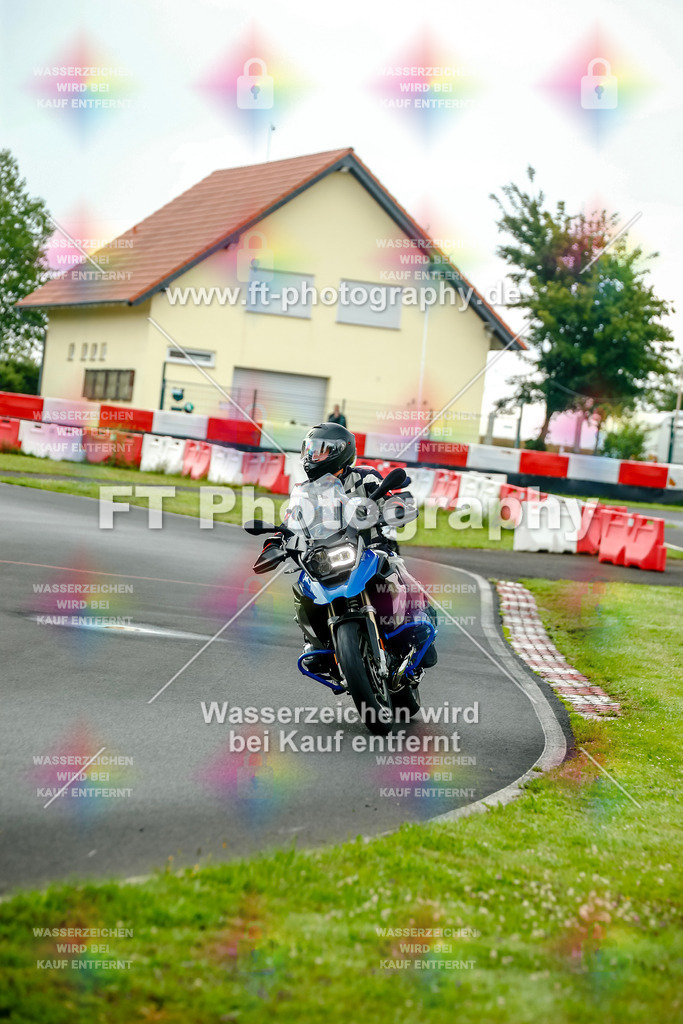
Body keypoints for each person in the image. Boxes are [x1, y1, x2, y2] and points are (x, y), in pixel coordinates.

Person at [267, 422, 437, 672]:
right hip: (326, 556)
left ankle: (419, 620)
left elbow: (387, 497)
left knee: (398, 571)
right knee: (304, 585)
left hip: (371, 547)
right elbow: (293, 518)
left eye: (321, 450)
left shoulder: (364, 475)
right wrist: (276, 540)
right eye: (310, 450)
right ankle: (315, 643)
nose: (314, 456)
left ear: (341, 452)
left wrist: (394, 508)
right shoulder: (304, 491)